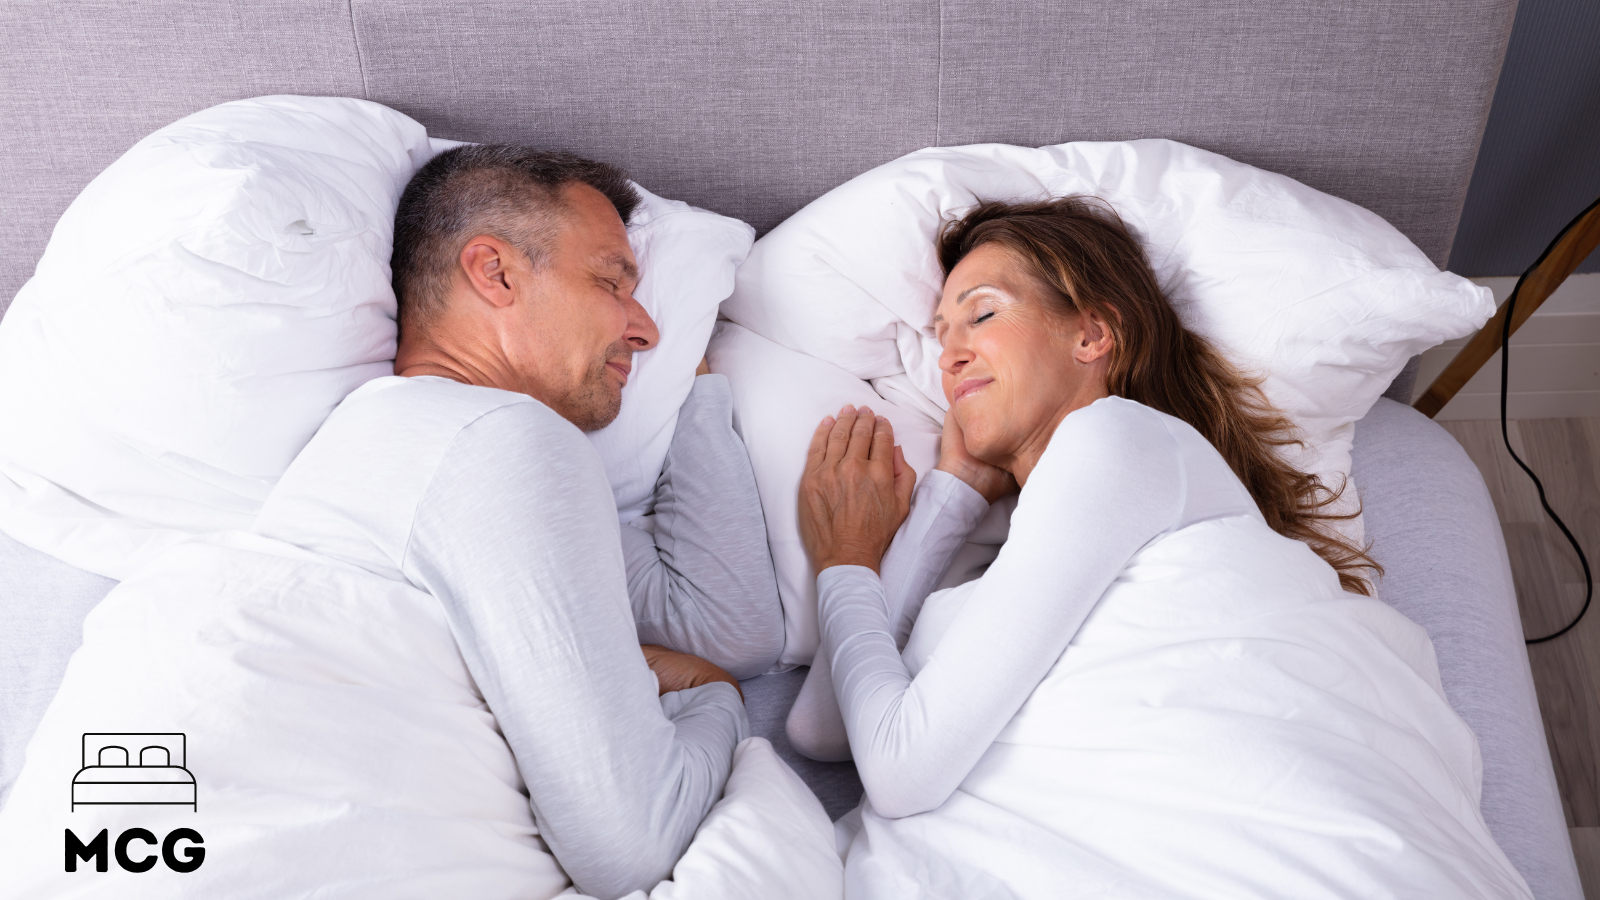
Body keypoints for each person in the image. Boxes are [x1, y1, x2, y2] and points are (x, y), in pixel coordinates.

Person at [1, 145, 781, 899]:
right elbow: (632, 840)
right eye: (612, 281)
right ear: (495, 270)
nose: (647, 329)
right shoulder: (499, 439)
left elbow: (723, 625)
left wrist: (697, 397)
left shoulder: (416, 450)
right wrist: (711, 702)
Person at [792, 197, 1532, 897]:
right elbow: (824, 728)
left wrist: (849, 561)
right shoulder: (1003, 567)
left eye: (981, 313)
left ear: (1092, 334)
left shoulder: (1115, 439)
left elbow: (895, 768)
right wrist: (948, 496)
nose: (950, 354)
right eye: (940, 335)